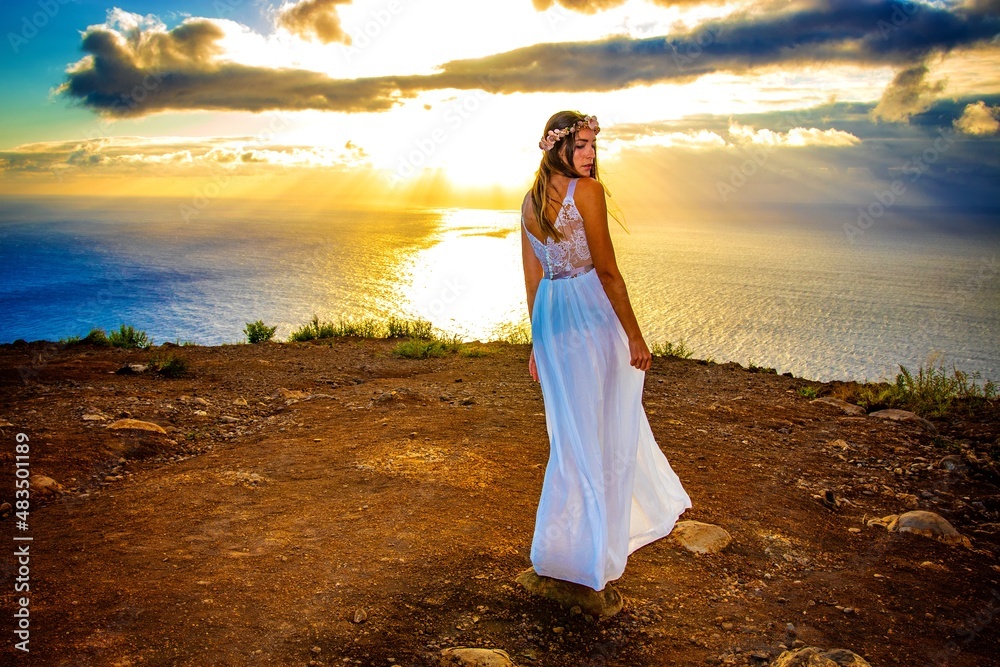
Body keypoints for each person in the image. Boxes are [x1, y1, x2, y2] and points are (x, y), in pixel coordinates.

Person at [520, 110, 692, 594]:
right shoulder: (586, 193)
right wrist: (634, 336)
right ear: (557, 147)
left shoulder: (528, 204)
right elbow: (609, 273)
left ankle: (560, 552)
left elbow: (533, 282)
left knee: (572, 438)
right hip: (588, 315)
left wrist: (538, 343)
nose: (591, 155)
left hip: (554, 317)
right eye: (581, 146)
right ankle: (592, 555)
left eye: (594, 145)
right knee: (604, 428)